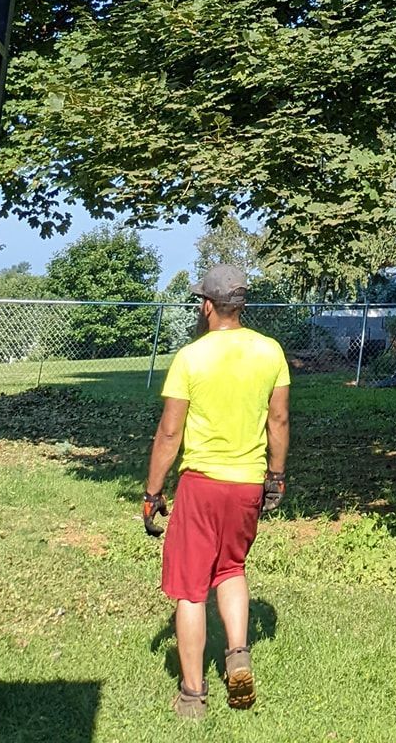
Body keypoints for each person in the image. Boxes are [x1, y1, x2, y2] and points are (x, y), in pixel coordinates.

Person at [142, 263, 291, 719]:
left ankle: (191, 695)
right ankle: (238, 653)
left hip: (202, 485)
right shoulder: (270, 352)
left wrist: (152, 492)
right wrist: (276, 477)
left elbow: (170, 433)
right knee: (231, 568)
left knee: (191, 588)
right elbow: (279, 421)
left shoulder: (191, 357)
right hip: (247, 484)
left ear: (207, 305)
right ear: (239, 305)